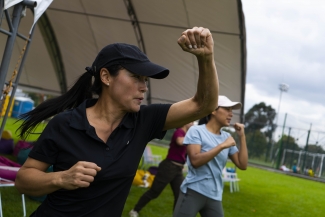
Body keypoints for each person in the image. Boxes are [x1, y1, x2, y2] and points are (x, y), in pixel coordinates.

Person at [15, 27, 219, 217]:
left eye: (145, 80)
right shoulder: (65, 124)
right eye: (136, 77)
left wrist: (206, 58)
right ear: (106, 76)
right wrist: (61, 178)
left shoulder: (144, 121)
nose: (144, 87)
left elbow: (203, 104)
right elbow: (23, 180)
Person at [173, 95, 248, 217]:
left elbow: (242, 164)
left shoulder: (226, 137)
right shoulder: (196, 131)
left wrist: (242, 136)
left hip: (214, 196)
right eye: (227, 109)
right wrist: (222, 146)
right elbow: (195, 161)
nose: (231, 114)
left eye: (231, 110)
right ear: (213, 110)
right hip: (193, 191)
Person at [129, 122, 193, 217]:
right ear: (185, 123)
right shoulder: (179, 132)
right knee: (154, 192)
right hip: (169, 167)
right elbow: (179, 141)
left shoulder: (187, 135)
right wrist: (193, 138)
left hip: (178, 169)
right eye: (191, 121)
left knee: (180, 195)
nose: (193, 124)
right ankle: (134, 210)